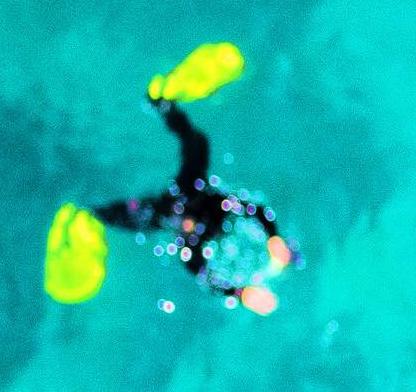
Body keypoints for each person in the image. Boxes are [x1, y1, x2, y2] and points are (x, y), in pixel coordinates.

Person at [89, 85, 296, 314]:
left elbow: (205, 275)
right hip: (189, 193)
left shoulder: (195, 238)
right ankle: (162, 104)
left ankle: (91, 210)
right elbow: (254, 212)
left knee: (196, 144)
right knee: (197, 142)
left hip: (183, 202)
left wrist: (241, 292)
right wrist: (273, 237)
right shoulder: (206, 224)